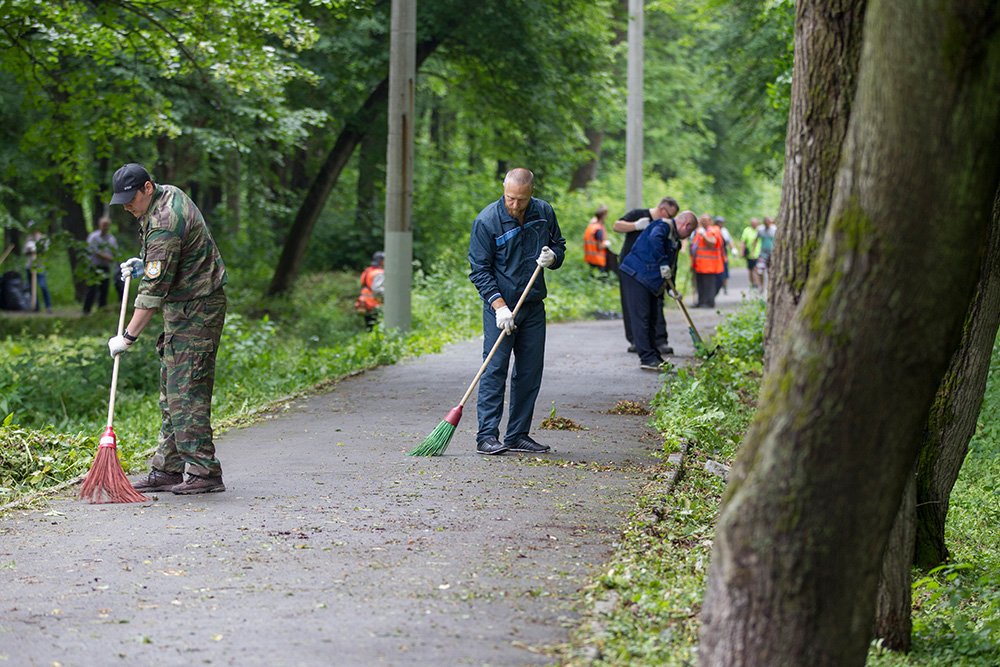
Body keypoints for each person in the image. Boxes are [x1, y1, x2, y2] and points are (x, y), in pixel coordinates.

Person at [106, 163, 229, 495]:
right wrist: (144, 261)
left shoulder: (164, 222)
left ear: (147, 188)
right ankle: (167, 468)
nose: (128, 207)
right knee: (171, 391)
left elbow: (152, 293)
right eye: (123, 202)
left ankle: (204, 471)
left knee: (186, 392)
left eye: (131, 200)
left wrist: (127, 337)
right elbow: (164, 261)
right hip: (185, 305)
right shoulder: (167, 194)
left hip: (197, 309)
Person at [468, 167, 566, 455]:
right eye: (510, 198)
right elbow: (479, 271)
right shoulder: (487, 221)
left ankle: (517, 435)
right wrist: (499, 308)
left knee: (529, 371)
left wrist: (554, 257)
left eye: (521, 200)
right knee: (495, 368)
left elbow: (558, 245)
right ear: (504, 190)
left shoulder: (543, 213)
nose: (514, 205)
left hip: (533, 305)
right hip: (501, 308)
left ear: (531, 194)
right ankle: (486, 436)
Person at [619, 211, 698, 370]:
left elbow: (671, 267)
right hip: (636, 275)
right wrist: (663, 263)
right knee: (642, 317)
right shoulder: (663, 226)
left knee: (653, 317)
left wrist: (671, 289)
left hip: (650, 281)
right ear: (685, 225)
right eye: (689, 232)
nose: (687, 236)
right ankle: (646, 358)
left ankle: (654, 356)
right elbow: (655, 239)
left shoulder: (676, 240)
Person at [613, 197, 679, 355]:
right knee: (631, 305)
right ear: (663, 210)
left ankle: (659, 340)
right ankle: (635, 340)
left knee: (656, 304)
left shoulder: (665, 227)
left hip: (653, 270)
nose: (669, 220)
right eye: (670, 215)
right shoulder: (638, 214)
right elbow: (616, 225)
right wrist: (635, 225)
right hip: (630, 268)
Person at [82, 215, 119, 314]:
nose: (105, 227)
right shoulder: (93, 237)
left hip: (105, 267)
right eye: (103, 225)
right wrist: (109, 257)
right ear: (100, 225)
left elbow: (115, 251)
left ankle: (102, 310)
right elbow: (94, 251)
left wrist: (113, 258)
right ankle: (86, 310)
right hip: (93, 267)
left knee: (104, 290)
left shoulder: (111, 239)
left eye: (107, 225)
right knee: (91, 289)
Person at [689, 214, 725, 308]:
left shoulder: (714, 230)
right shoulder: (698, 232)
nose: (703, 221)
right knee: (700, 284)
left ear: (710, 221)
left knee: (709, 284)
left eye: (705, 220)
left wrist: (703, 234)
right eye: (702, 220)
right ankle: (701, 302)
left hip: (710, 265)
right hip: (699, 264)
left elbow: (712, 243)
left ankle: (709, 302)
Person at [22, 221, 52, 313]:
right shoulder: (28, 239)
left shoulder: (43, 239)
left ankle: (48, 306)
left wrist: (37, 251)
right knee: (31, 287)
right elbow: (24, 252)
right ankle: (35, 306)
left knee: (43, 286)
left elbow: (46, 251)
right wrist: (29, 251)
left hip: (39, 266)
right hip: (29, 266)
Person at [355, 251, 385, 330]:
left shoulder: (367, 271)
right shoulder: (379, 273)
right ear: (381, 261)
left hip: (364, 303)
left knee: (369, 327)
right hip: (374, 304)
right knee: (377, 328)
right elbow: (377, 289)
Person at [583, 205, 617, 275]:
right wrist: (607, 244)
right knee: (601, 279)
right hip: (598, 260)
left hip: (590, 259)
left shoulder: (591, 226)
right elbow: (599, 247)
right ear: (603, 216)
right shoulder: (599, 230)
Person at [756, 216, 777, 292]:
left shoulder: (774, 229)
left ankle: (771, 286)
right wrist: (753, 251)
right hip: (763, 253)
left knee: (771, 270)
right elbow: (756, 239)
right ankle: (761, 286)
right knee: (760, 270)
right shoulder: (760, 229)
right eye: (766, 222)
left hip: (772, 253)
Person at [740, 217, 762, 290]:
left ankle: (757, 284)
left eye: (755, 223)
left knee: (756, 269)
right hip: (749, 253)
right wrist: (742, 252)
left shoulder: (760, 230)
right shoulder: (747, 230)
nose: (754, 225)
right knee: (750, 269)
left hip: (759, 253)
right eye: (752, 223)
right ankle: (752, 283)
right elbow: (743, 241)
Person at [714, 216, 733, 295]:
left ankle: (725, 287)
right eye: (718, 222)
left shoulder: (725, 231)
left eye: (721, 223)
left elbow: (729, 241)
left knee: (725, 272)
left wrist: (733, 249)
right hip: (715, 255)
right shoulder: (713, 230)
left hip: (723, 254)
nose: (720, 224)